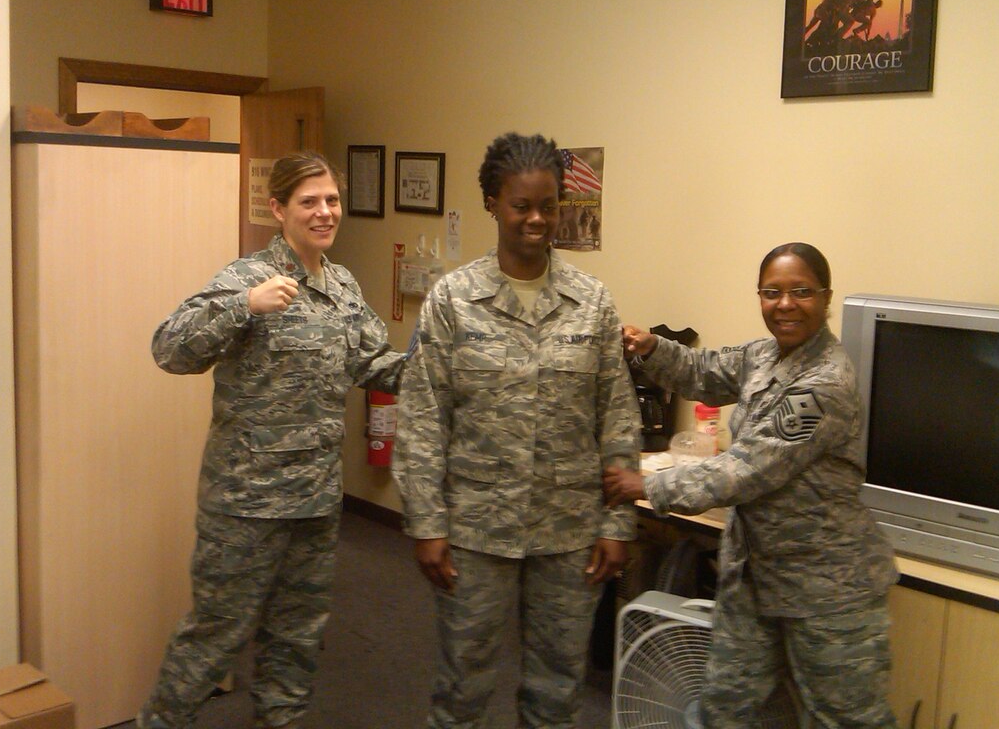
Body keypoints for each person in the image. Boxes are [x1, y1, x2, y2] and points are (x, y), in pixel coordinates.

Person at [138, 151, 404, 729]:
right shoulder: (247, 278)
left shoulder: (342, 284)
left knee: (298, 634)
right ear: (278, 209)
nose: (325, 212)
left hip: (315, 499)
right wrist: (244, 307)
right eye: (309, 201)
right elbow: (169, 348)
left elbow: (373, 363)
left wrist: (443, 363)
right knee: (215, 636)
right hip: (247, 501)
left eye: (332, 200)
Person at [392, 132, 641, 729]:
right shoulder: (453, 300)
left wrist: (617, 524)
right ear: (493, 204)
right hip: (476, 531)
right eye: (521, 206)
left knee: (558, 691)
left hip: (568, 533)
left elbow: (617, 416)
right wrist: (427, 523)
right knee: (463, 687)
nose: (536, 219)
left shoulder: (591, 302)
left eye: (548, 206)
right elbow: (423, 417)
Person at [604, 242, 899, 729]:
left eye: (801, 291)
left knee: (844, 718)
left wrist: (647, 485)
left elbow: (747, 468)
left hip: (827, 588)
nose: (785, 304)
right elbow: (703, 372)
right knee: (726, 709)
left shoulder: (825, 383)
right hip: (755, 577)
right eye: (772, 292)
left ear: (826, 297)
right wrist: (652, 348)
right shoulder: (764, 355)